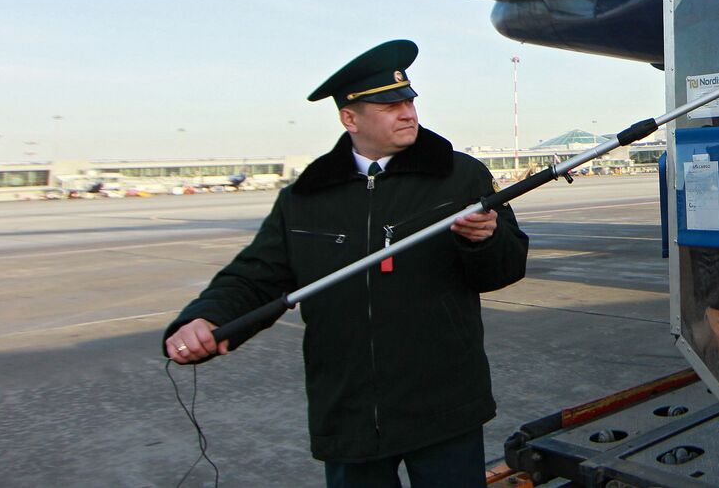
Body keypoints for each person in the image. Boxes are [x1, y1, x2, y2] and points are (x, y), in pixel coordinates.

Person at [162, 39, 529, 487]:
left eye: (409, 100)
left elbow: (506, 268)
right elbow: (255, 276)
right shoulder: (306, 196)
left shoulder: (459, 176)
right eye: (389, 104)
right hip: (348, 409)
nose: (408, 112)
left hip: (443, 404)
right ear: (350, 117)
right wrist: (205, 318)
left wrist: (486, 240)